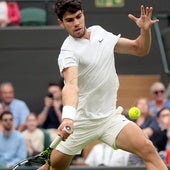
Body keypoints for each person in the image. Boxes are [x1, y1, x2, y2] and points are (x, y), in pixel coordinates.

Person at [39, 1, 168, 170]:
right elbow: (70, 85)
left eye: (78, 16)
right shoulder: (68, 51)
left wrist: (145, 30)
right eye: (70, 20)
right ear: (61, 23)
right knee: (53, 167)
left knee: (148, 149)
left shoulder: (100, 32)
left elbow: (139, 49)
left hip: (109, 118)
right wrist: (68, 117)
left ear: (83, 14)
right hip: (80, 123)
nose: (76, 23)